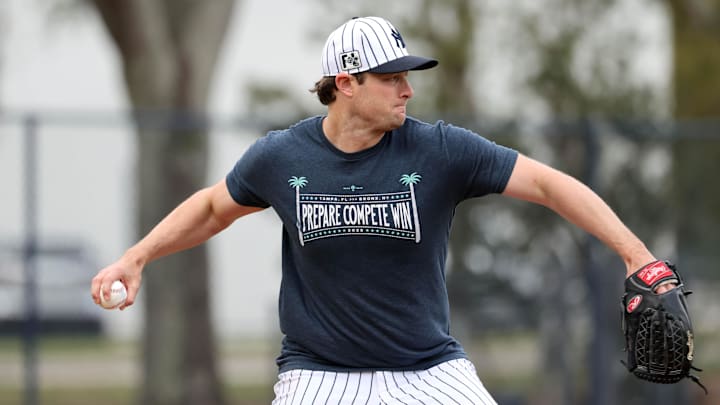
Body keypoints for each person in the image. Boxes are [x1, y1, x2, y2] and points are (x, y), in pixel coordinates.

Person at [92, 16, 672, 405]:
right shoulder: (282, 156)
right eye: (392, 78)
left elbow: (548, 185)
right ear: (346, 82)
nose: (407, 90)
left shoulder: (440, 149)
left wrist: (636, 254)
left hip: (429, 372)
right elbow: (214, 207)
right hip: (317, 378)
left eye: (407, 77)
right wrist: (136, 257)